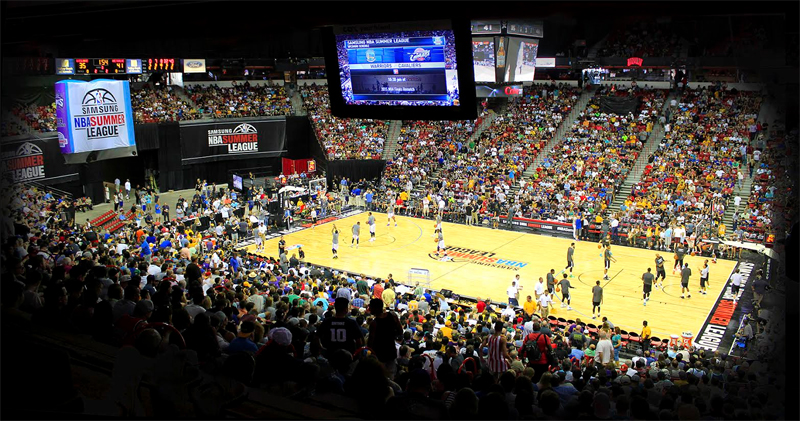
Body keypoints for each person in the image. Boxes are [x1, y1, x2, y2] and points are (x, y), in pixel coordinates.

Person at [367, 298, 402, 376]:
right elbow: (400, 331)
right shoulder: (393, 315)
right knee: (390, 377)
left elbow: (370, 343)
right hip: (391, 352)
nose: (370, 309)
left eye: (371, 307)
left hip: (379, 355)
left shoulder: (374, 323)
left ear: (376, 308)